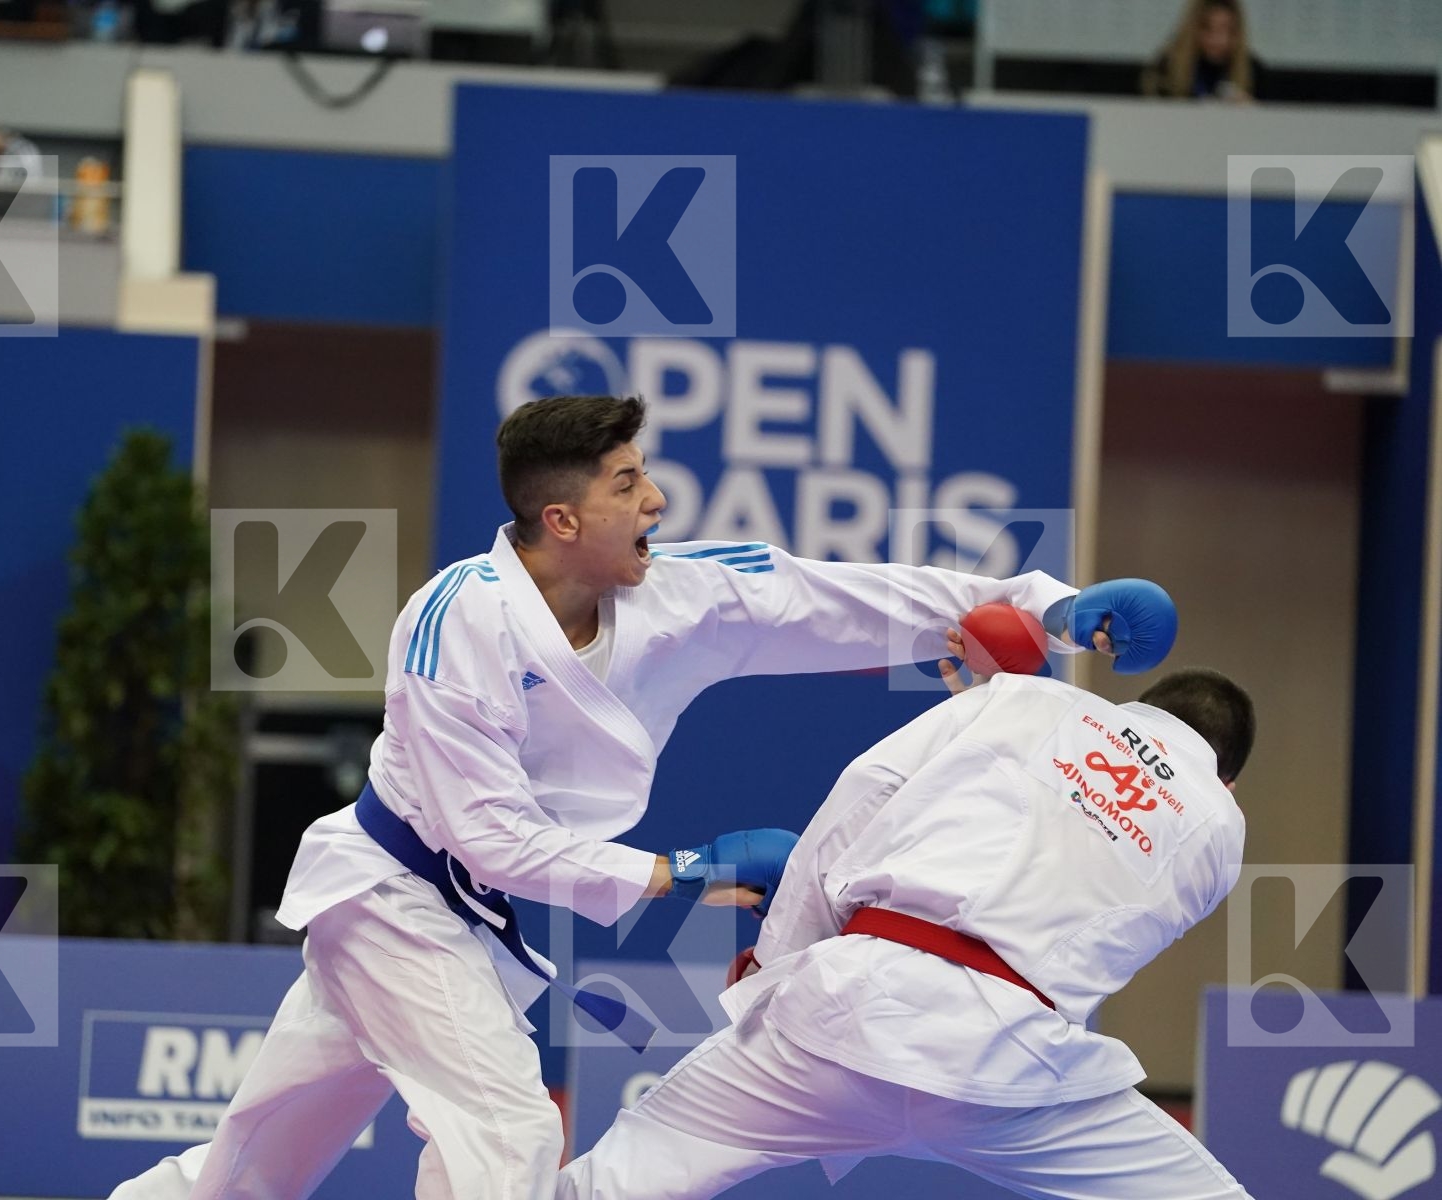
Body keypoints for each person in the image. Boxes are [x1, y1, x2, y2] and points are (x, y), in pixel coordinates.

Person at [111, 394, 1177, 1200]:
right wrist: (684, 872)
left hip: (457, 911)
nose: (655, 500)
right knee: (507, 1133)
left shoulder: (676, 592)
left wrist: (1044, 608)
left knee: (255, 1163)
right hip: (394, 892)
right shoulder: (457, 624)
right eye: (627, 483)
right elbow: (490, 837)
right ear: (562, 516)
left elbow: (831, 597)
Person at [559, 662, 1255, 1200]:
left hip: (846, 1011)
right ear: (1227, 782)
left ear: (1137, 704)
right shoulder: (1220, 827)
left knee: (619, 1176)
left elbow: (866, 787)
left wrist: (777, 967)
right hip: (1011, 1070)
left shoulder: (1029, 698)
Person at [1142, 0, 1263, 102]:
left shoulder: (1255, 72)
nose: (1217, 39)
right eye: (1207, 28)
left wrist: (1252, 111)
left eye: (1226, 29)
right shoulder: (1166, 67)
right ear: (1192, 29)